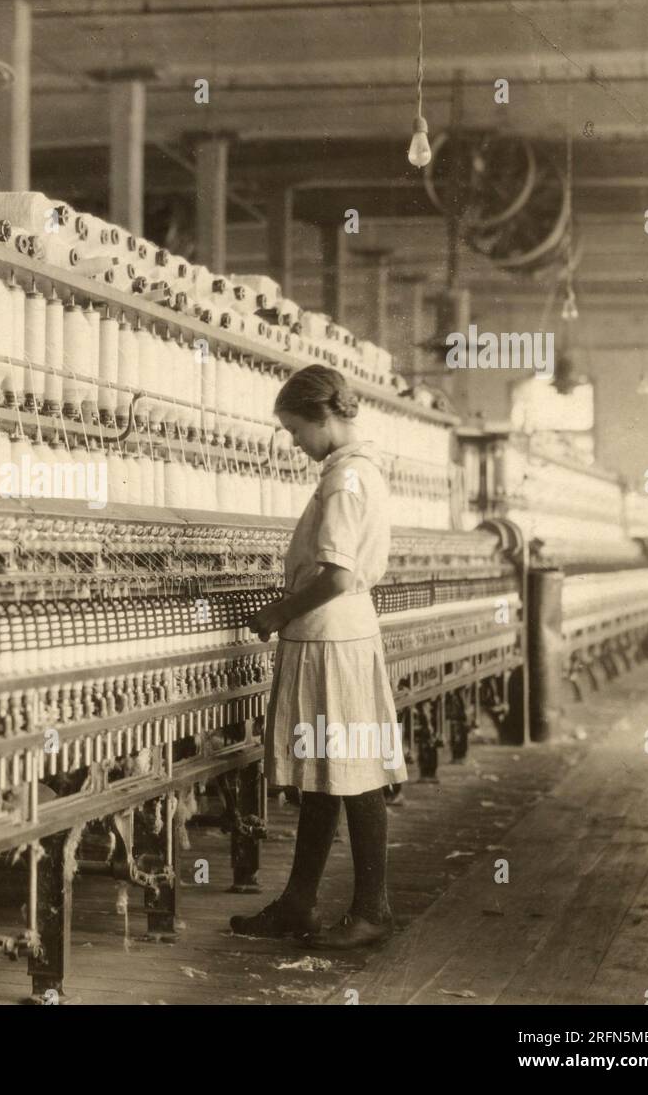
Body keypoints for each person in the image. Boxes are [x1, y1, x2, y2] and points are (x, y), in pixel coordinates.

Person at [231, 364, 407, 949]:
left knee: (352, 776)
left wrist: (278, 612)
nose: (294, 443)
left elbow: (336, 575)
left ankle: (372, 911)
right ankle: (299, 904)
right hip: (336, 637)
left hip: (331, 638)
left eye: (294, 430)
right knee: (328, 777)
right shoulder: (356, 472)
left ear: (323, 417)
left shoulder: (345, 480)